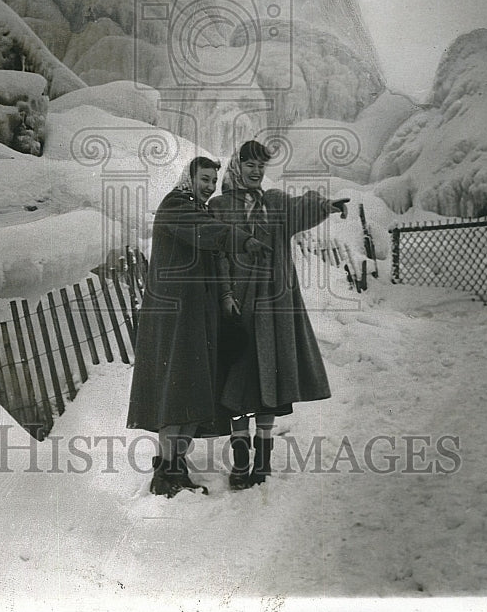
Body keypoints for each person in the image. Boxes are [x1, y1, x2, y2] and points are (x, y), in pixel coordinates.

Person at [210, 140, 351, 489]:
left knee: (268, 380)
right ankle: (240, 465)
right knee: (238, 381)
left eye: (261, 166)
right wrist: (226, 294)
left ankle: (263, 464)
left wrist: (326, 205)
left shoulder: (273, 203)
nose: (256, 171)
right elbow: (219, 256)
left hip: (273, 308)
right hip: (239, 306)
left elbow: (301, 208)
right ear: (237, 166)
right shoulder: (220, 206)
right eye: (250, 165)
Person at [126, 156, 268, 498]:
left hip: (194, 317)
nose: (209, 187)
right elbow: (210, 235)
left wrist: (225, 296)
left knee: (191, 390)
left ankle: (174, 468)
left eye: (213, 182)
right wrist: (243, 240)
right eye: (204, 179)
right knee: (175, 393)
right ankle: (166, 473)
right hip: (174, 318)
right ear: (189, 178)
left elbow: (212, 251)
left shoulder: (197, 209)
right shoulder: (176, 206)